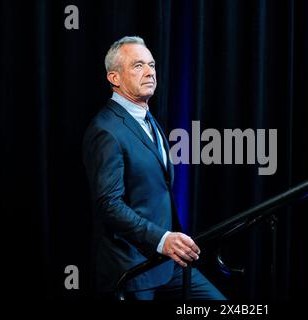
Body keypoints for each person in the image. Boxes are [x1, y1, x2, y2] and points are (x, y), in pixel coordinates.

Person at [82, 36, 225, 300]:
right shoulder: (105, 130)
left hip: (167, 263)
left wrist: (169, 242)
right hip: (132, 268)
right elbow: (108, 205)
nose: (150, 72)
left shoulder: (146, 118)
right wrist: (162, 239)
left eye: (152, 64)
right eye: (138, 66)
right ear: (114, 78)